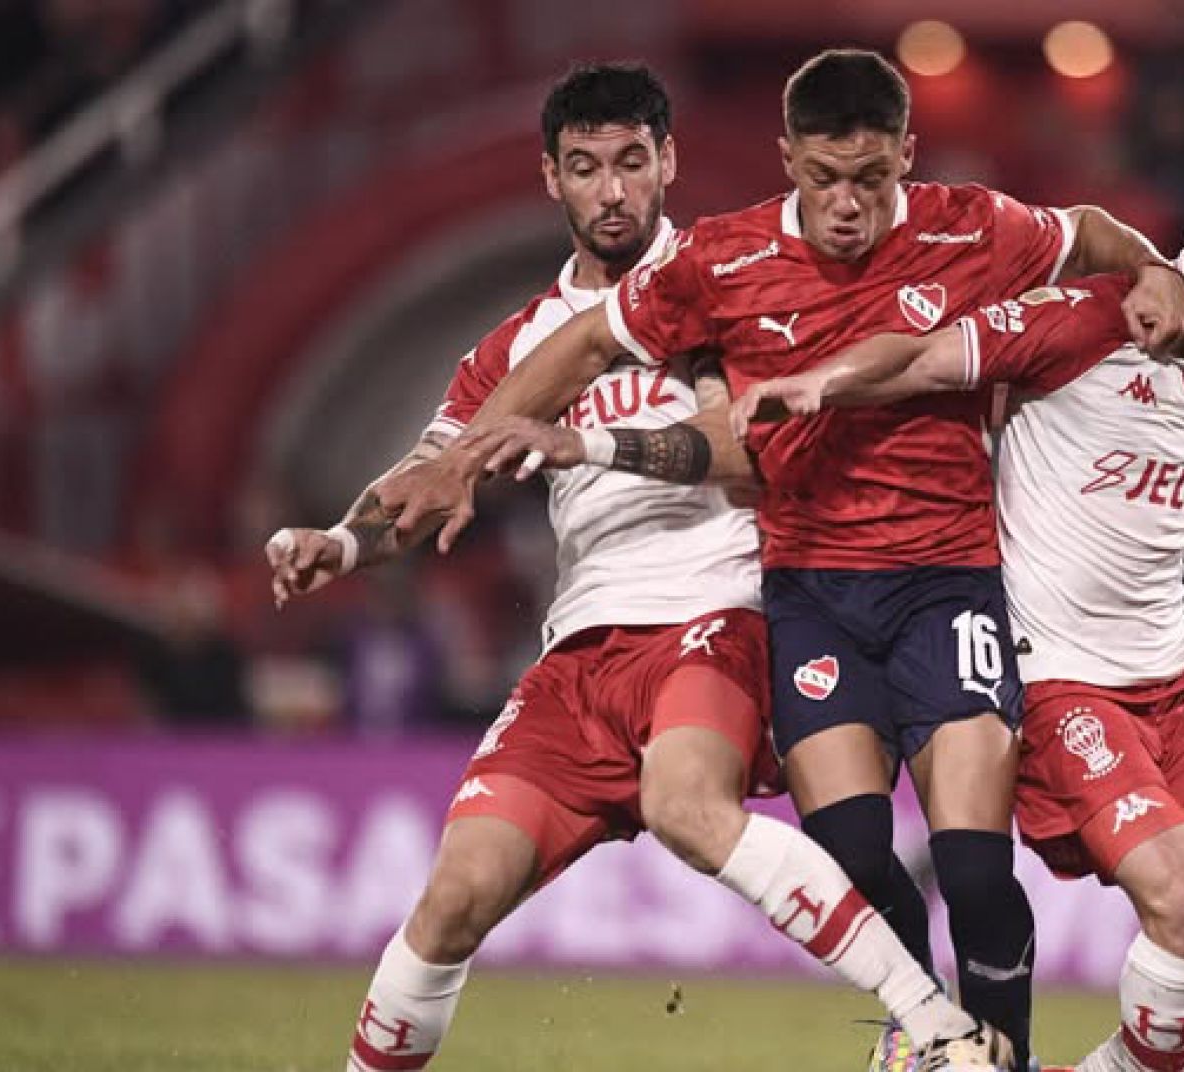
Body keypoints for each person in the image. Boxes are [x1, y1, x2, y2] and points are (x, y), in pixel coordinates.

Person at [375, 49, 1184, 1071]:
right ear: (786, 160)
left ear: (907, 154)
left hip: (947, 585)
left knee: (975, 869)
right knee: (855, 856)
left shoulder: (971, 225)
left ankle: (1001, 1060)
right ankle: (930, 1030)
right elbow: (587, 344)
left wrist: (1155, 267)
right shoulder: (722, 261)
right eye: (821, 179)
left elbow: (1086, 235)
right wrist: (461, 457)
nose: (846, 205)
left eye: (869, 179)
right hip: (810, 599)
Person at [265, 64, 1004, 1072]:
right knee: (450, 901)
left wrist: (591, 446)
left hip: (717, 616)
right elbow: (434, 472)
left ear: (667, 163)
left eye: (628, 163)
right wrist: (342, 541)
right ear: (550, 179)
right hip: (579, 654)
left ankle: (935, 1025)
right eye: (584, 168)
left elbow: (755, 446)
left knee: (684, 802)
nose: (610, 190)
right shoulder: (521, 346)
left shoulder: (726, 280)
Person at [715, 154, 1184, 1070]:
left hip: (1177, 677)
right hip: (1066, 684)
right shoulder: (1094, 319)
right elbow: (928, 353)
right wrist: (824, 381)